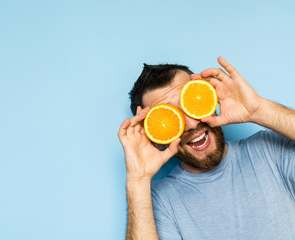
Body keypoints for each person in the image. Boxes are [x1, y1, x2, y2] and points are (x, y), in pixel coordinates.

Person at [118, 57, 295, 239]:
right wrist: (138, 179)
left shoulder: (270, 150)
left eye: (192, 104)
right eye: (170, 118)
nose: (191, 124)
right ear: (155, 136)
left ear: (209, 98)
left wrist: (258, 110)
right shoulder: (159, 201)